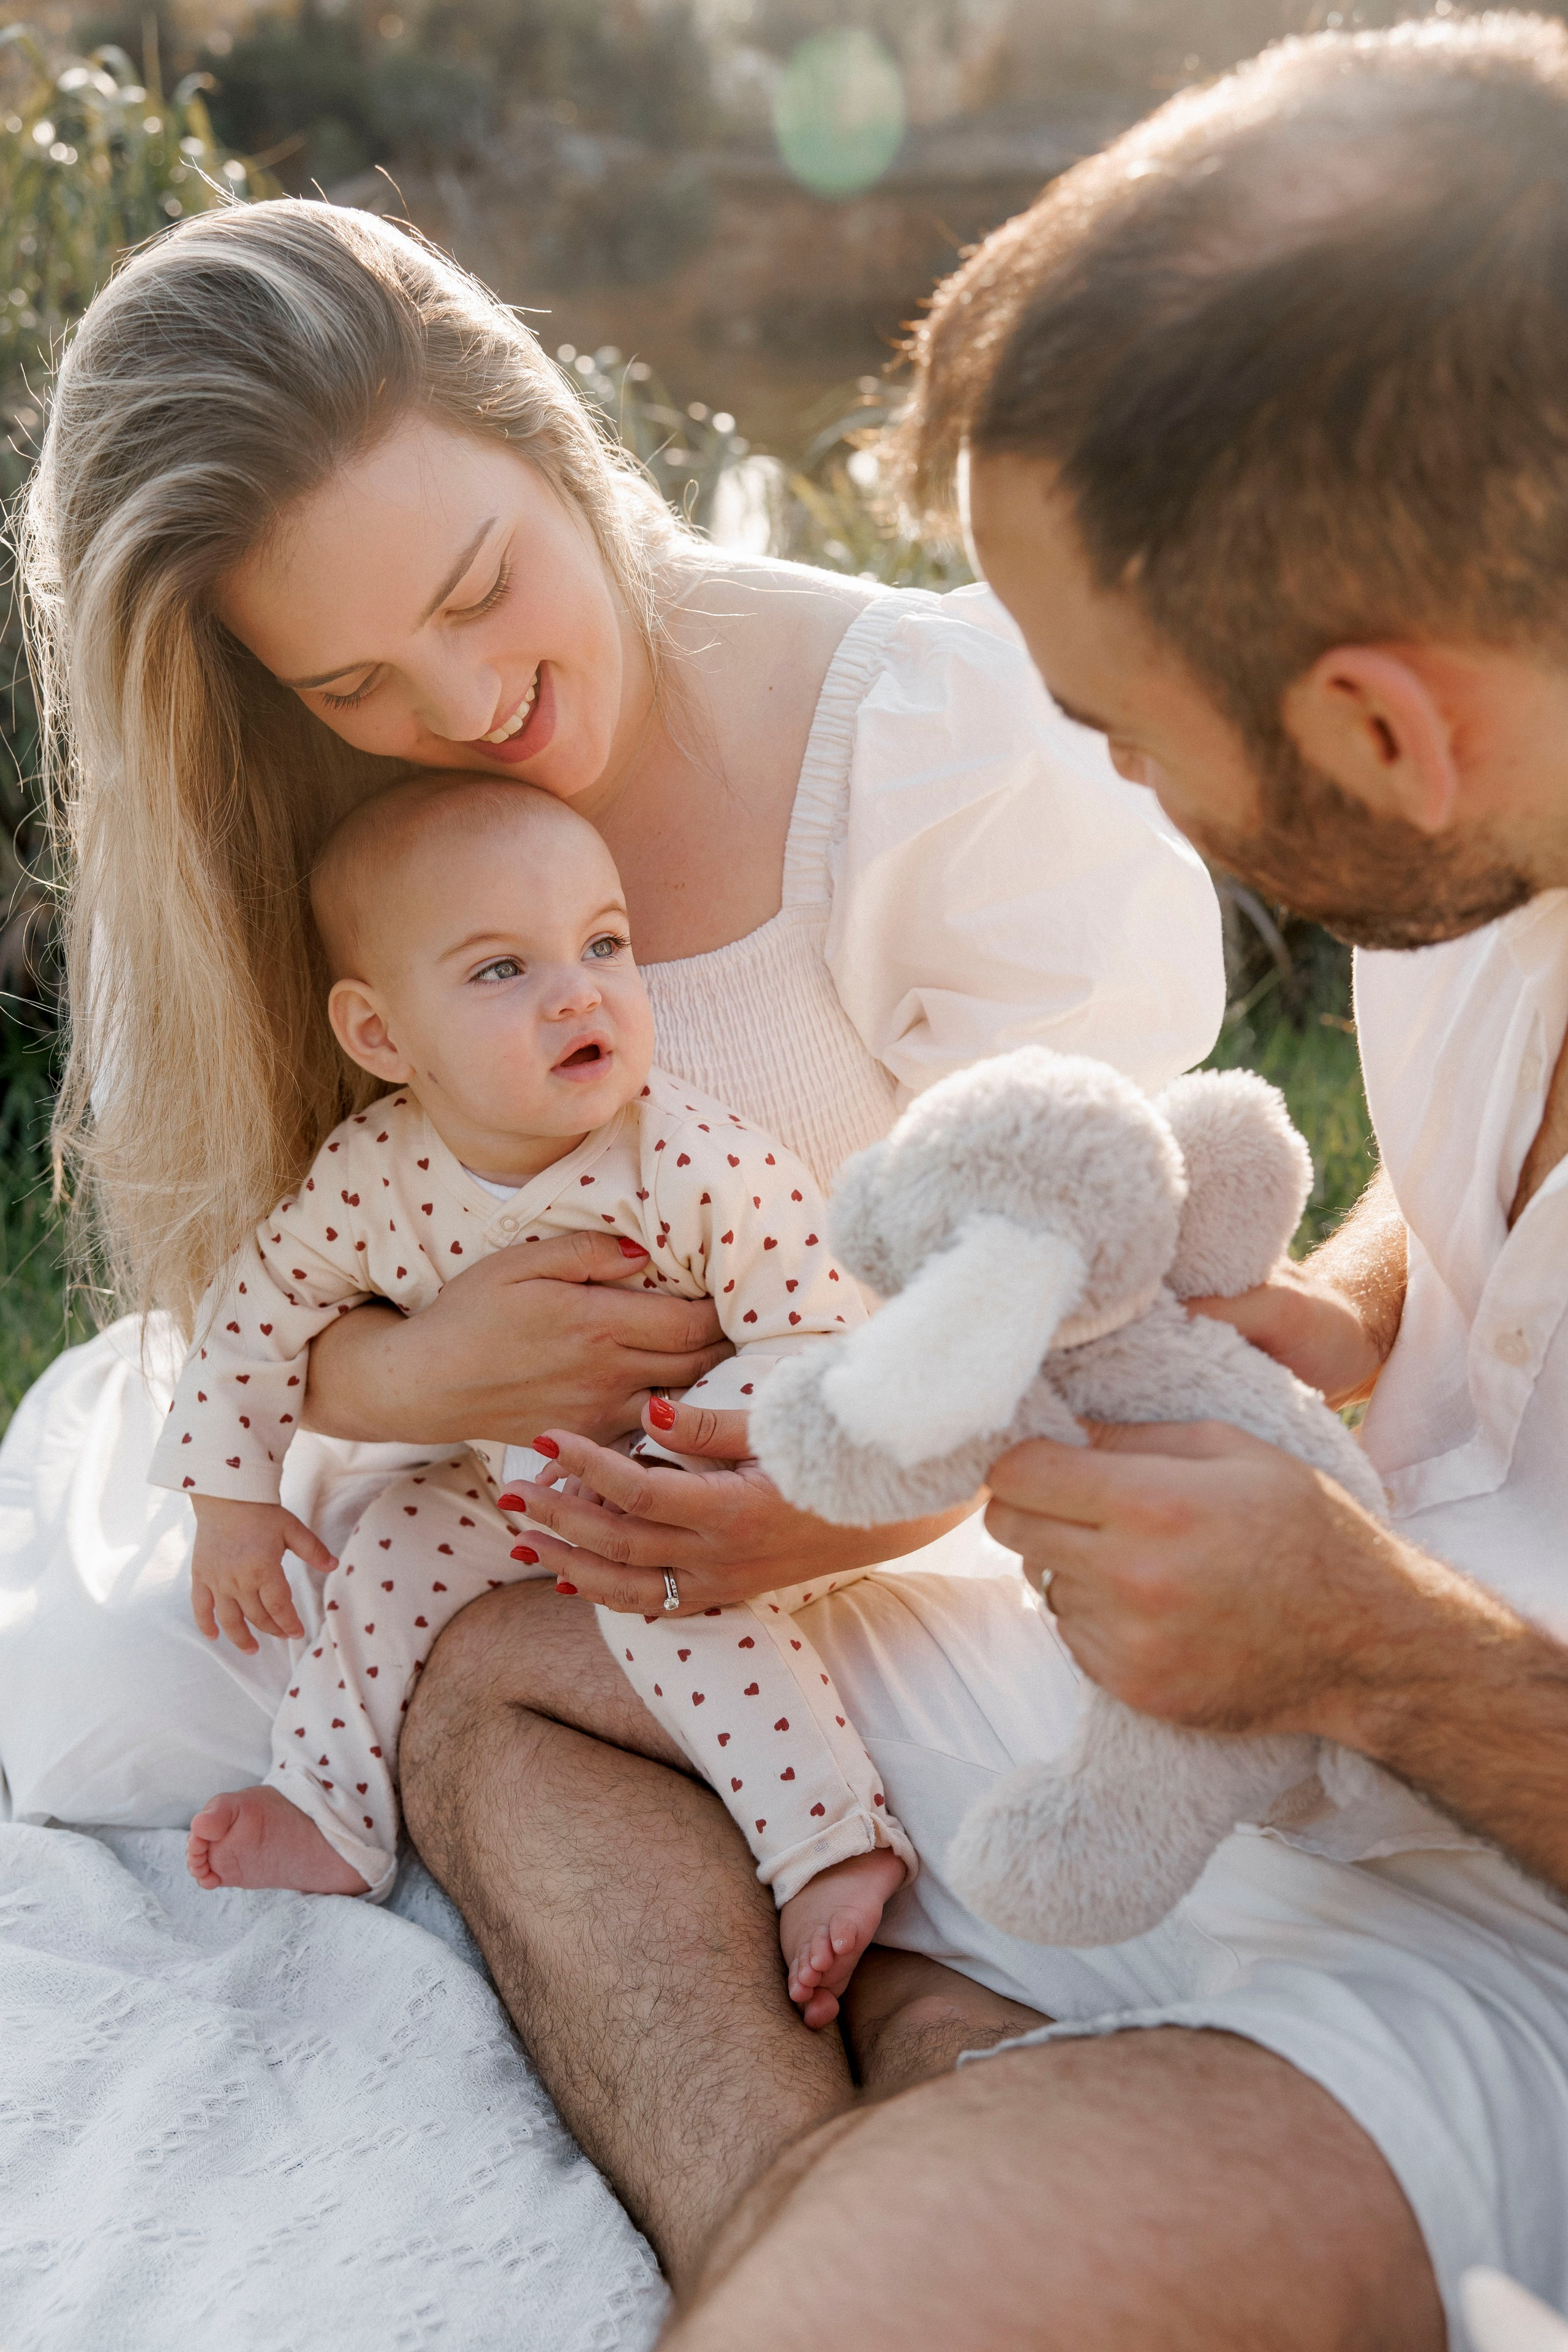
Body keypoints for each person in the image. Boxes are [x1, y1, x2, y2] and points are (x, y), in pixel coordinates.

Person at [398, 17, 1568, 2348]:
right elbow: (1462, 1229)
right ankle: (847, 2151)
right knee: (503, 1657)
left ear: (1380, 726)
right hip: (1227, 1709)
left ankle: (923, 2171)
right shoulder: (1486, 857)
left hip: (1499, 1914)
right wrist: (1337, 1312)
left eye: (1127, 725)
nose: (1112, 784)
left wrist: (1371, 1649)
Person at [15, 185, 1219, 2274]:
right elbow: (260, 1285)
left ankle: (872, 2161)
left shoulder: (927, 746)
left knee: (563, 1701)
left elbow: (1103, 1271)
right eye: (360, 677)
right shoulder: (323, 849)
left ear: (551, 431)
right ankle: (817, 2241)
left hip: (950, 1536)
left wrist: (826, 1518)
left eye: (485, 588)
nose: (473, 701)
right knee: (370, 1663)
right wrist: (413, 1372)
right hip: (534, 1540)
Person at [173, 769, 914, 2021]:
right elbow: (252, 1313)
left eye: (603, 944)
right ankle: (327, 1804)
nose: (578, 991)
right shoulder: (370, 1177)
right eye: (498, 971)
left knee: (655, 1578)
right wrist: (227, 1497)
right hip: (496, 1479)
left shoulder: (688, 1159)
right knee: (385, 1546)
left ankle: (828, 1839)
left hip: (681, 1473)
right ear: (380, 1037)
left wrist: (719, 1451)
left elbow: (812, 1333)